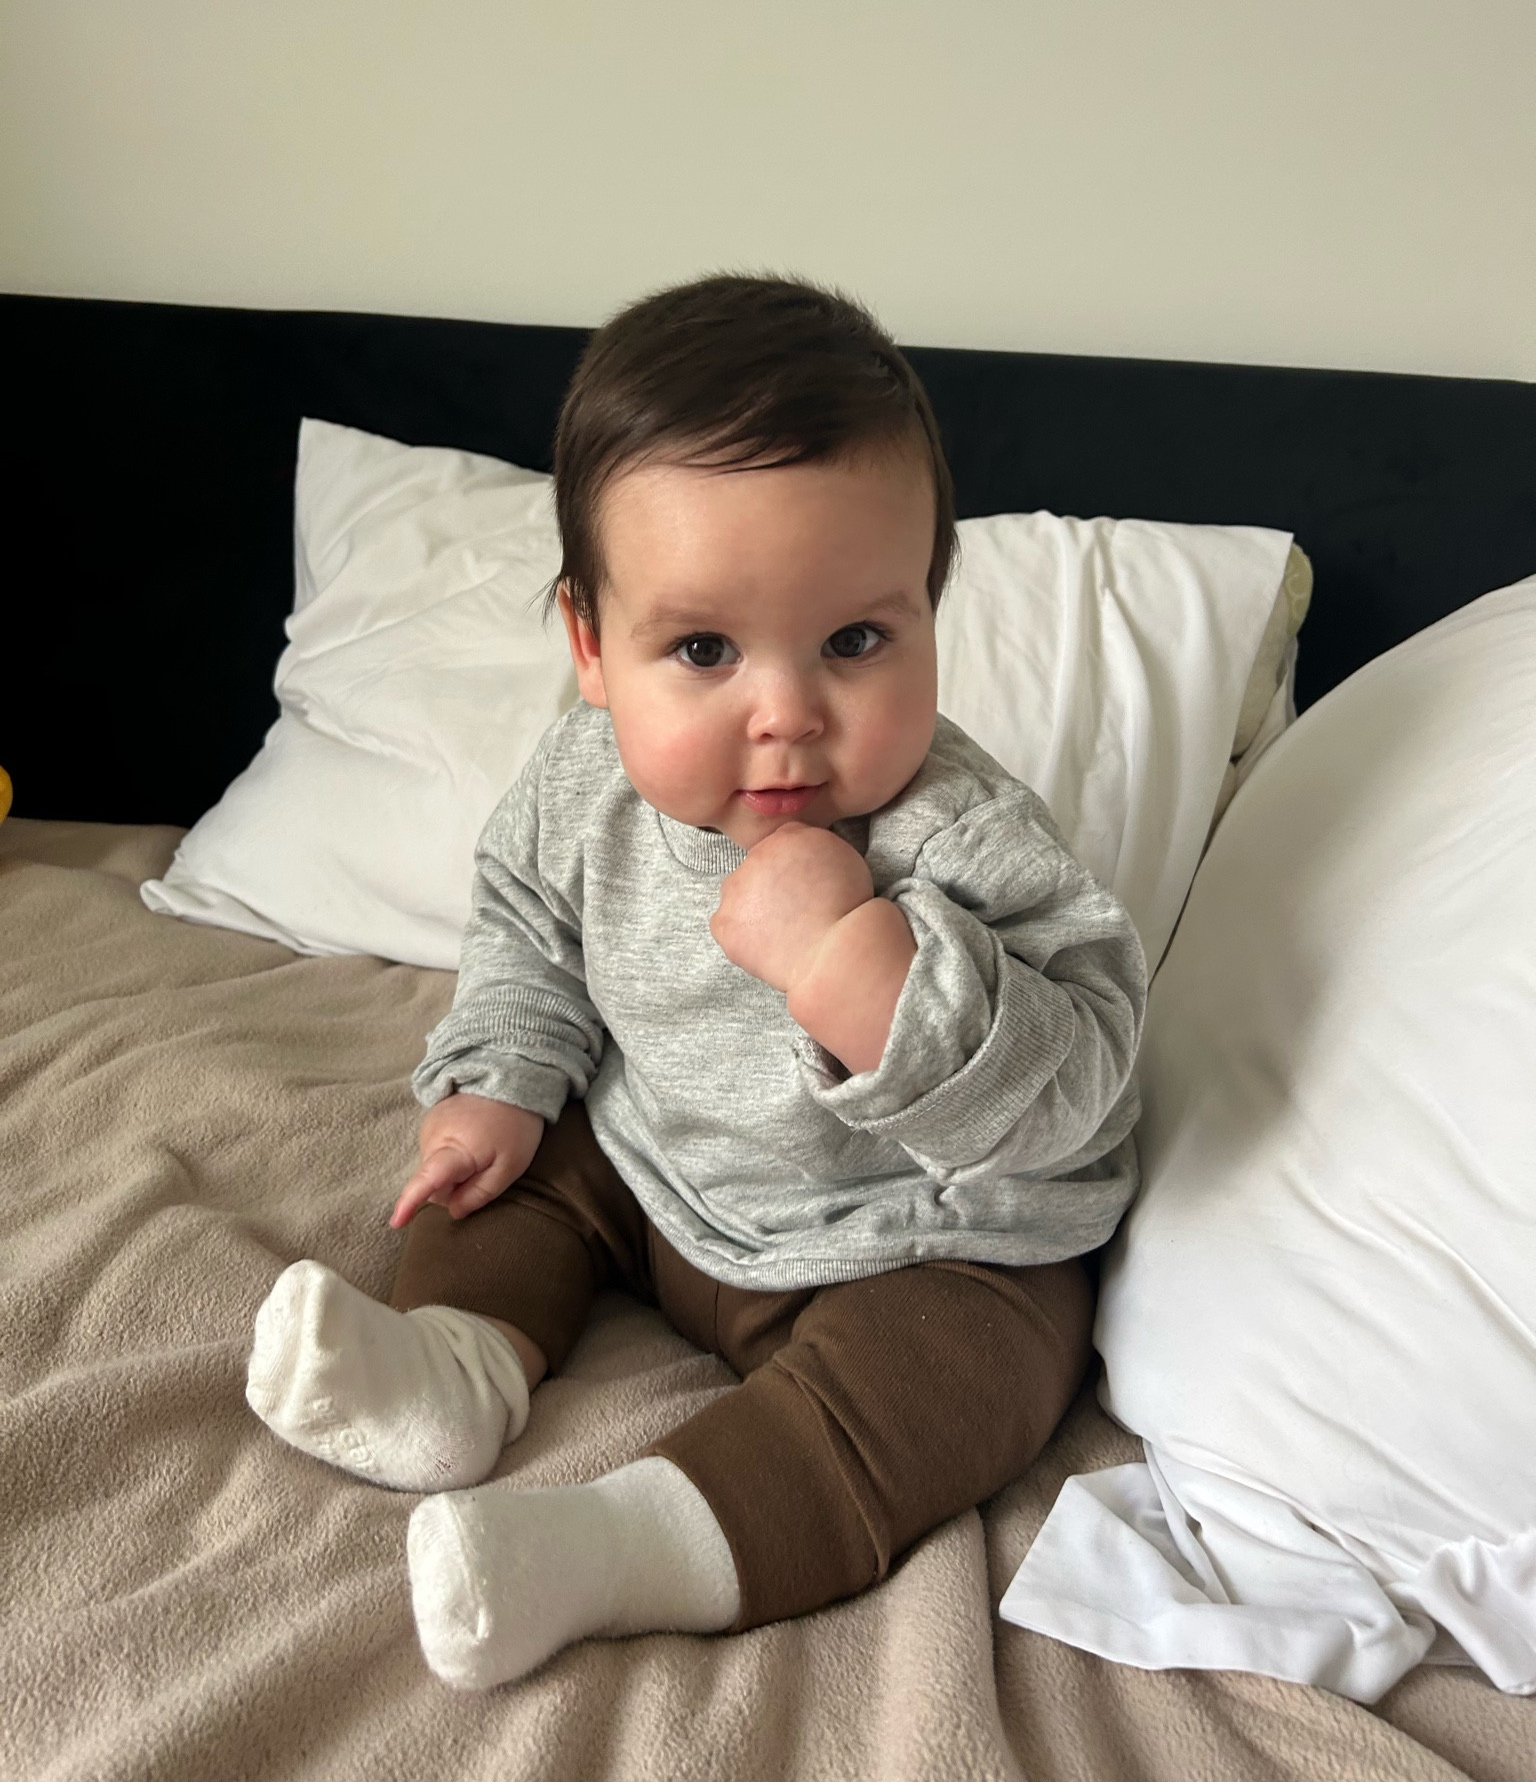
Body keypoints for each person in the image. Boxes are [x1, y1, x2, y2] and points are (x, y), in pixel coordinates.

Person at [245, 274, 1146, 1691]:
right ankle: (453, 1369)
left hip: (917, 1240)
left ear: (928, 612)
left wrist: (861, 968)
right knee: (509, 1172)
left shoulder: (965, 838)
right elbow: (528, 931)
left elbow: (1084, 1086)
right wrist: (499, 1081)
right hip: (660, 1169)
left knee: (970, 1370)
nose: (786, 714)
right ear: (592, 650)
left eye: (856, 641)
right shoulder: (583, 786)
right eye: (705, 650)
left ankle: (622, 1545)